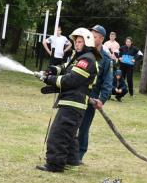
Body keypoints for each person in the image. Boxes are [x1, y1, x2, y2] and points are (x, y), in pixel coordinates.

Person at [36, 28, 99, 172]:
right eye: (75, 42)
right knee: (68, 133)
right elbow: (66, 68)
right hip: (72, 102)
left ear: (87, 42)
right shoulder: (80, 58)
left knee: (58, 133)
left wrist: (48, 79)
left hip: (73, 103)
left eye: (79, 42)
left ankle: (55, 165)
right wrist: (52, 70)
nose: (76, 44)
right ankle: (71, 161)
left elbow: (71, 80)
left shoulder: (87, 59)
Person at [77, 25, 113, 163]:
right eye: (90, 34)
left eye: (95, 36)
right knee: (72, 124)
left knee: (84, 127)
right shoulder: (85, 52)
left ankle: (79, 155)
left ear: (102, 39)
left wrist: (101, 100)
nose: (91, 37)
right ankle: (68, 152)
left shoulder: (106, 58)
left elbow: (108, 82)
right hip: (78, 93)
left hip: (92, 97)